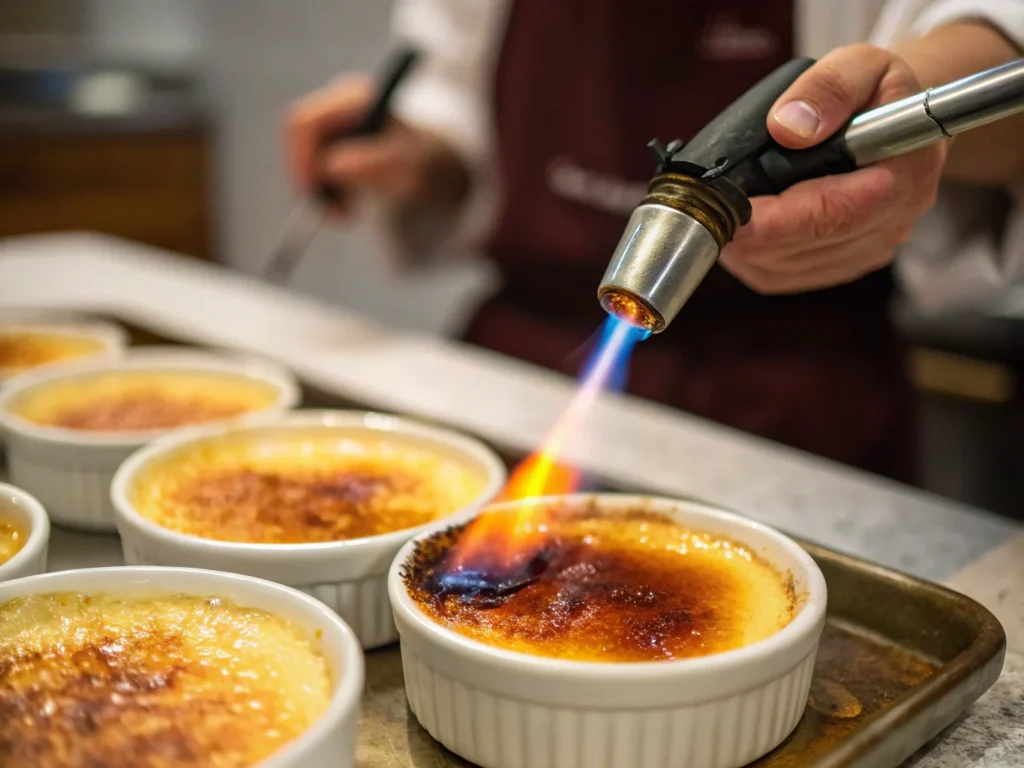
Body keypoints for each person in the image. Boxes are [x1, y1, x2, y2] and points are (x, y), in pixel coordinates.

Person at [285, 0, 1024, 484]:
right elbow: (458, 83)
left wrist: (908, 101)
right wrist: (427, 156)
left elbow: (992, 39)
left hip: (787, 408)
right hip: (526, 375)